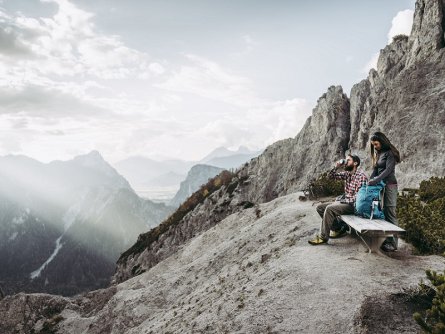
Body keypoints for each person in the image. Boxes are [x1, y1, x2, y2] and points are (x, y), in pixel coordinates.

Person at [308, 154, 368, 245]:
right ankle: (338, 228)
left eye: (348, 160)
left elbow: (359, 198)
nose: (346, 162)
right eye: (345, 160)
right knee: (320, 207)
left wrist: (341, 201)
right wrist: (336, 167)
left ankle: (323, 237)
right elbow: (330, 177)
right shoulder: (347, 174)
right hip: (347, 203)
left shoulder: (361, 177)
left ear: (355, 163)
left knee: (330, 208)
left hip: (355, 206)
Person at [368, 132, 401, 252]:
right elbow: (376, 169)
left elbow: (388, 170)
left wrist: (375, 180)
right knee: (383, 212)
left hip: (390, 186)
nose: (375, 146)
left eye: (376, 144)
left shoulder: (390, 153)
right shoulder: (379, 153)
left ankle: (394, 243)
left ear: (382, 142)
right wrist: (370, 180)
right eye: (373, 145)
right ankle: (388, 238)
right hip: (381, 186)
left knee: (390, 212)